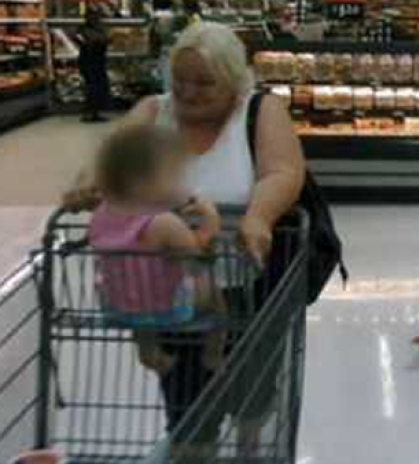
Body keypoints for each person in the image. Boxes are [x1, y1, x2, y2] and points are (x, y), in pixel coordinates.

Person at [65, 21, 306, 459]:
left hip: (247, 281)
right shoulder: (153, 112)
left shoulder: (260, 110)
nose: (189, 92)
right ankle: (195, 445)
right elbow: (109, 158)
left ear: (234, 78)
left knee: (251, 383)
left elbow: (282, 172)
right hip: (165, 286)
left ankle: (250, 445)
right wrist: (87, 184)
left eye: (204, 82)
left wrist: (259, 216)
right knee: (186, 393)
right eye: (180, 81)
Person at [89, 125, 227, 376]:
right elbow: (199, 254)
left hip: (119, 305)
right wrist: (211, 221)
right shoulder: (164, 223)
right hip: (171, 307)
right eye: (176, 176)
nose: (183, 184)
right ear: (144, 182)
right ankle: (214, 352)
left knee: (141, 294)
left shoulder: (101, 214)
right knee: (215, 293)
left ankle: (147, 349)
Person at [77, 8, 110, 123]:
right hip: (92, 62)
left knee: (94, 86)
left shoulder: (85, 30)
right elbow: (99, 41)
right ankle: (91, 112)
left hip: (92, 62)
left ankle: (93, 111)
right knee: (93, 87)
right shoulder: (89, 31)